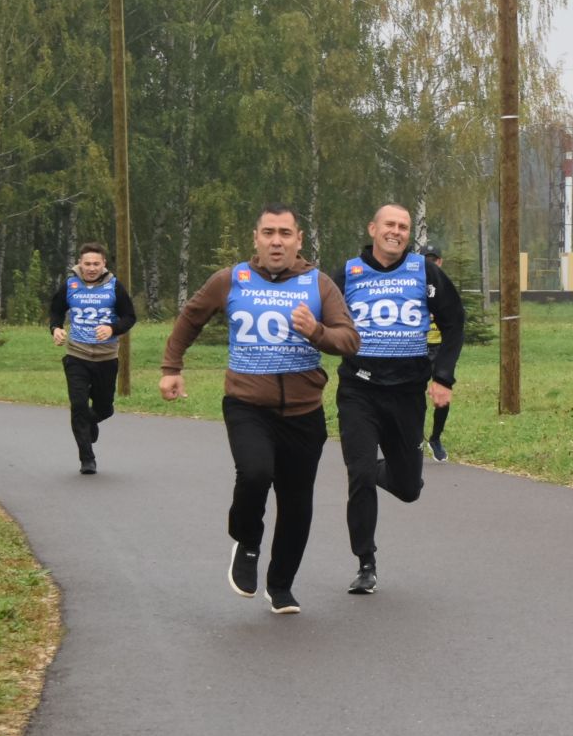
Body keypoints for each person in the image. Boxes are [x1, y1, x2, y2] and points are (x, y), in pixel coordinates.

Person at [160, 204, 360, 614]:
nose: (276, 241)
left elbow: (349, 340)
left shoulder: (318, 285)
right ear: (256, 238)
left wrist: (316, 331)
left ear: (298, 240)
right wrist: (171, 367)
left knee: (297, 502)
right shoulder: (231, 279)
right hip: (247, 404)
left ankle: (281, 585)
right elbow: (190, 318)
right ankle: (247, 541)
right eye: (268, 232)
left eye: (285, 233)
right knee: (254, 473)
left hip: (304, 412)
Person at [328, 207, 464, 595]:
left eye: (403, 227)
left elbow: (454, 321)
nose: (396, 232)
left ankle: (371, 467)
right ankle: (365, 563)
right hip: (359, 389)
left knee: (408, 488)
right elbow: (323, 319)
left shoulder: (425, 271)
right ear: (373, 229)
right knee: (359, 474)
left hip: (406, 393)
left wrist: (443, 377)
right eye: (389, 225)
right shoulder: (349, 273)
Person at [49, 242, 137, 475]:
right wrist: (55, 328)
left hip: (106, 357)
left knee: (105, 408)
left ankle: (92, 421)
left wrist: (112, 329)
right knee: (78, 406)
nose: (91, 268)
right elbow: (56, 310)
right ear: (80, 263)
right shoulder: (70, 284)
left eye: (96, 264)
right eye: (87, 263)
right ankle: (87, 458)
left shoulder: (114, 287)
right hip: (76, 355)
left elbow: (130, 316)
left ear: (104, 264)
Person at [422, 246, 455, 463]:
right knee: (413, 396)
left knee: (442, 398)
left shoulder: (445, 286)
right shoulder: (415, 283)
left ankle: (435, 438)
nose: (431, 264)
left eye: (434, 260)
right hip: (418, 349)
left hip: (441, 349)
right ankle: (414, 438)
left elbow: (455, 318)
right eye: (427, 261)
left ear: (440, 262)